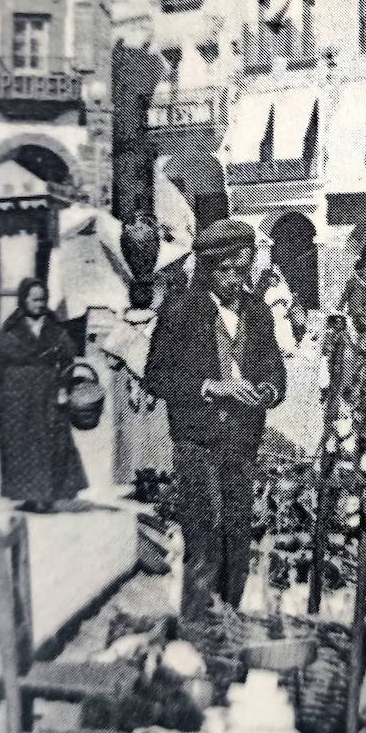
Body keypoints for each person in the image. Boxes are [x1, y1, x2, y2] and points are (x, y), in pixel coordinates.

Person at [144, 219, 286, 619]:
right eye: (236, 272)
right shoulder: (180, 310)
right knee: (203, 544)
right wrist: (211, 387)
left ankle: (230, 628)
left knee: (237, 542)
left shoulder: (257, 312)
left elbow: (275, 368)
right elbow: (157, 376)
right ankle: (196, 637)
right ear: (214, 268)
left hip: (241, 444)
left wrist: (268, 390)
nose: (243, 282)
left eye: (247, 271)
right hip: (197, 443)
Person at [0, 278, 88, 513]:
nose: (39, 304)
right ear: (23, 300)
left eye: (42, 299)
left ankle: (46, 495)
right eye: (34, 299)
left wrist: (64, 387)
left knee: (49, 442)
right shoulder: (11, 328)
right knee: (19, 444)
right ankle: (28, 495)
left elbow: (67, 361)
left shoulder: (54, 328)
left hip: (46, 392)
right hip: (16, 396)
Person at [102, 279, 172, 488]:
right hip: (156, 385)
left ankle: (132, 476)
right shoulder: (161, 325)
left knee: (130, 429)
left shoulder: (121, 326)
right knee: (156, 429)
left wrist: (127, 353)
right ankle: (158, 476)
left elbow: (112, 361)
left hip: (127, 385)